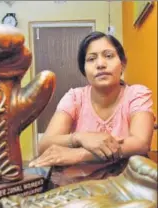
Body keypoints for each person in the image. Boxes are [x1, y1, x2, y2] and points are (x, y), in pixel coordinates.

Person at [29, 31, 155, 187]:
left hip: (124, 187)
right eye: (91, 59)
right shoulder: (74, 97)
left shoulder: (136, 94)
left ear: (122, 64)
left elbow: (140, 143)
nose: (100, 64)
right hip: (74, 186)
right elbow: (45, 144)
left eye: (108, 56)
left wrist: (80, 154)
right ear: (84, 69)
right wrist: (80, 138)